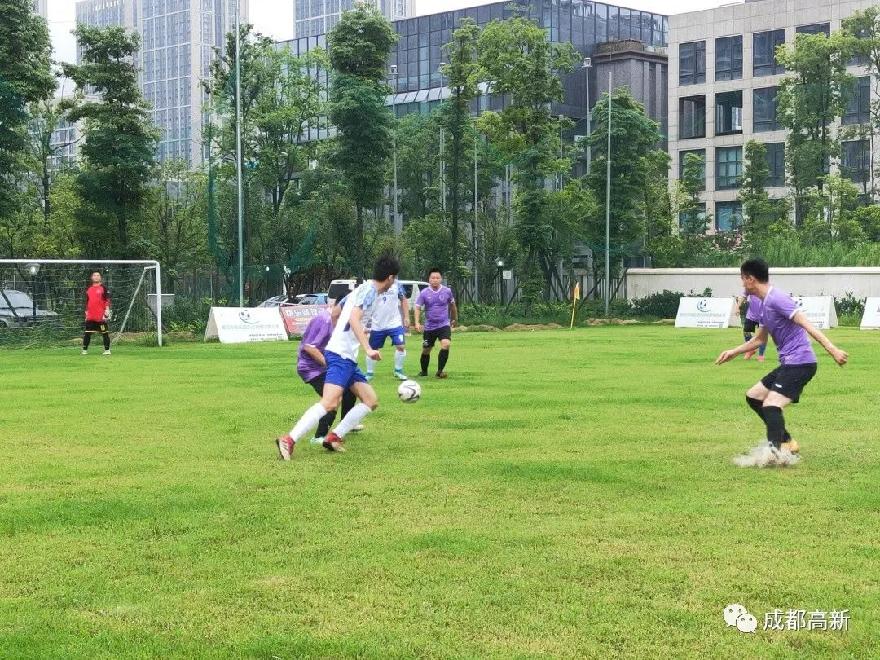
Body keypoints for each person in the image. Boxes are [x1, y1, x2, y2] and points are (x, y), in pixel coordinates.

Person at [716, 259, 848, 455]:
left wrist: (833, 350)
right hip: (789, 364)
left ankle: (775, 455)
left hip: (801, 363)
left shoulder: (777, 298)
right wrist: (733, 352)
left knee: (771, 405)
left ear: (751, 279)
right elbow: (760, 339)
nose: (742, 284)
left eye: (742, 279)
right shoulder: (762, 303)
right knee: (754, 396)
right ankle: (786, 441)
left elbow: (807, 324)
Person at [276, 255, 400, 460]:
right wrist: (367, 348)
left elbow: (335, 313)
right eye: (394, 279)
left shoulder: (359, 290)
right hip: (340, 356)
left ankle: (334, 437)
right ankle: (288, 440)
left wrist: (341, 335)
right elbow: (354, 318)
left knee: (370, 400)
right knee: (330, 403)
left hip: (346, 356)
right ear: (390, 278)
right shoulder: (370, 292)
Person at [296, 310, 358, 445]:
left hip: (324, 367)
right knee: (333, 398)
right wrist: (331, 365)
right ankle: (319, 437)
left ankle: (346, 425)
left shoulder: (341, 320)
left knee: (351, 389)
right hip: (311, 368)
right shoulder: (324, 320)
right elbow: (310, 348)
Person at [413, 268, 457, 379]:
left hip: (443, 324)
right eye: (433, 278)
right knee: (426, 349)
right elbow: (417, 308)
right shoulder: (424, 293)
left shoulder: (447, 291)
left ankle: (440, 371)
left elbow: (452, 306)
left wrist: (454, 318)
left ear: (441, 279)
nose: (435, 280)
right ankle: (424, 371)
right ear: (429, 279)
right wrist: (417, 322)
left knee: (446, 344)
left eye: (437, 278)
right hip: (429, 327)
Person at [365, 279, 409, 381]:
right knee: (373, 349)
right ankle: (369, 373)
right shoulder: (372, 284)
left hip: (394, 323)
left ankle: (398, 371)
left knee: (401, 346)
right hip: (377, 324)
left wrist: (406, 317)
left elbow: (403, 299)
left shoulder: (397, 284)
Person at [82, 272, 112, 356]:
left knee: (104, 333)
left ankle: (107, 350)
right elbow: (87, 301)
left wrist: (107, 309)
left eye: (98, 275)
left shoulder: (104, 288)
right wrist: (86, 312)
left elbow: (107, 300)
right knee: (87, 333)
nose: (96, 277)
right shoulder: (88, 288)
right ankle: (84, 350)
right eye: (94, 275)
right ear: (92, 277)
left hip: (101, 316)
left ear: (100, 278)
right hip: (91, 316)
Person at [739, 293, 767, 362]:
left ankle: (761, 355)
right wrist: (738, 307)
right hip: (751, 316)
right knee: (746, 333)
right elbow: (743, 297)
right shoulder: (750, 288)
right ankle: (750, 350)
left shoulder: (766, 289)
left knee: (762, 335)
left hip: (763, 315)